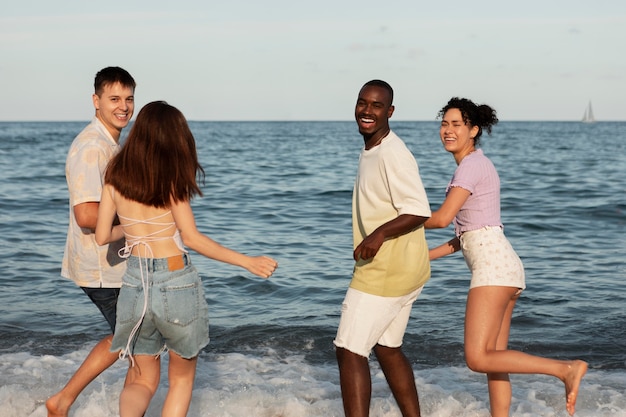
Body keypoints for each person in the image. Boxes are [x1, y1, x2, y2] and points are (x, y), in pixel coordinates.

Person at [95, 100, 278, 417]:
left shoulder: (114, 176)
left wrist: (135, 227)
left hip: (135, 284)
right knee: (180, 380)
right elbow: (191, 238)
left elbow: (101, 236)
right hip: (175, 282)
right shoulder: (169, 180)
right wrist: (247, 261)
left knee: (141, 379)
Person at [425, 97, 588, 417]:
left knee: (477, 357)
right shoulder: (475, 165)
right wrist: (422, 257)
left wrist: (396, 221)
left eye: (456, 124)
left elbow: (442, 218)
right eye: (444, 124)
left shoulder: (471, 166)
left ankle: (565, 369)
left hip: (493, 270)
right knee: (494, 358)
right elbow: (466, 236)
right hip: (504, 266)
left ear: (473, 130)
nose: (448, 130)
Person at [334, 80, 431, 417]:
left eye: (376, 105)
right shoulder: (374, 148)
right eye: (362, 103)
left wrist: (377, 236)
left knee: (349, 350)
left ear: (390, 112)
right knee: (388, 348)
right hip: (407, 268)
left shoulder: (393, 153)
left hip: (386, 270)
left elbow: (418, 209)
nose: (367, 111)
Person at [46, 66, 136, 417]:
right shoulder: (91, 147)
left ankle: (64, 401)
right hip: (102, 266)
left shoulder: (109, 143)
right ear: (96, 100)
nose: (123, 106)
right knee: (136, 342)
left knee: (134, 342)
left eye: (128, 99)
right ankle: (62, 401)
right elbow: (86, 216)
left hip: (114, 263)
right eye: (114, 99)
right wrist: (140, 222)